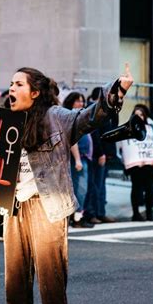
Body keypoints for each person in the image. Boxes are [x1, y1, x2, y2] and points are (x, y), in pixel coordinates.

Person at [0, 64, 133, 304]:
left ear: (34, 91)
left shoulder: (57, 117)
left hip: (47, 207)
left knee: (52, 285)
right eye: (10, 84)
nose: (10, 88)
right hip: (12, 209)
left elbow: (89, 117)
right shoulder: (3, 121)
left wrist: (116, 90)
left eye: (18, 84)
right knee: (15, 286)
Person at [117, 105, 153, 221]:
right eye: (137, 115)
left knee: (150, 190)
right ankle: (136, 213)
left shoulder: (149, 128)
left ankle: (149, 213)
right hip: (136, 166)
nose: (139, 117)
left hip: (149, 165)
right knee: (136, 189)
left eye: (141, 115)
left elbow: (152, 145)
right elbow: (125, 147)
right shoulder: (128, 129)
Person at [62, 91, 94, 228]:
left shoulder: (79, 116)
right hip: (76, 159)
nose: (81, 103)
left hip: (83, 157)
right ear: (71, 102)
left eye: (82, 101)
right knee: (80, 189)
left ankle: (76, 216)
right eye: (78, 101)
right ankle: (76, 218)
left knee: (80, 189)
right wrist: (77, 159)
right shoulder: (71, 117)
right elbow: (72, 140)